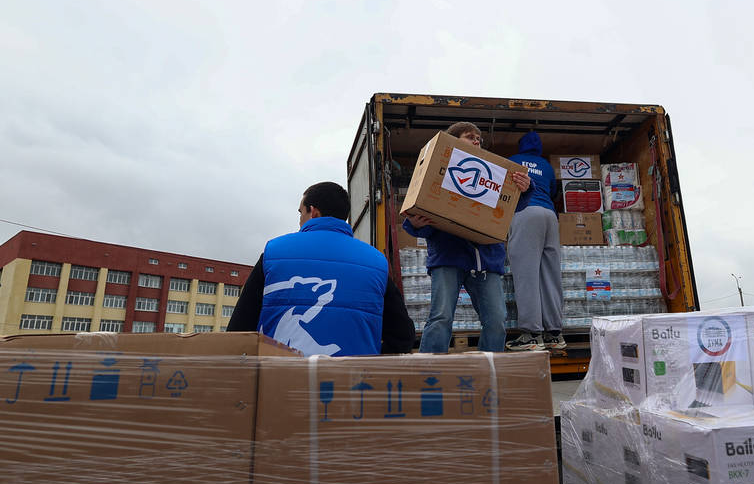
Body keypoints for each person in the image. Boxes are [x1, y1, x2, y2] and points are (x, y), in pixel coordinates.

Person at [228, 181, 415, 355]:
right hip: (355, 382)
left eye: (301, 212)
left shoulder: (274, 252)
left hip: (281, 380)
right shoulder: (376, 262)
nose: (300, 220)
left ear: (313, 212)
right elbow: (403, 336)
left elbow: (238, 330)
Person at [402, 122, 531, 353]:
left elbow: (507, 209)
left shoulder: (496, 174)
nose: (476, 141)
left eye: (479, 138)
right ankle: (429, 370)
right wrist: (415, 224)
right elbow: (424, 211)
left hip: (486, 260)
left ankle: (488, 369)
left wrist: (524, 189)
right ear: (452, 141)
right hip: (448, 257)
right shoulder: (439, 169)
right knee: (441, 316)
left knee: (497, 319)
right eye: (470, 136)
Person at [504, 130, 564, 351]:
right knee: (550, 275)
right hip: (550, 216)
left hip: (526, 213)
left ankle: (531, 333)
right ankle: (555, 334)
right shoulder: (547, 166)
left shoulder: (513, 161)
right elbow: (552, 191)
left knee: (526, 274)